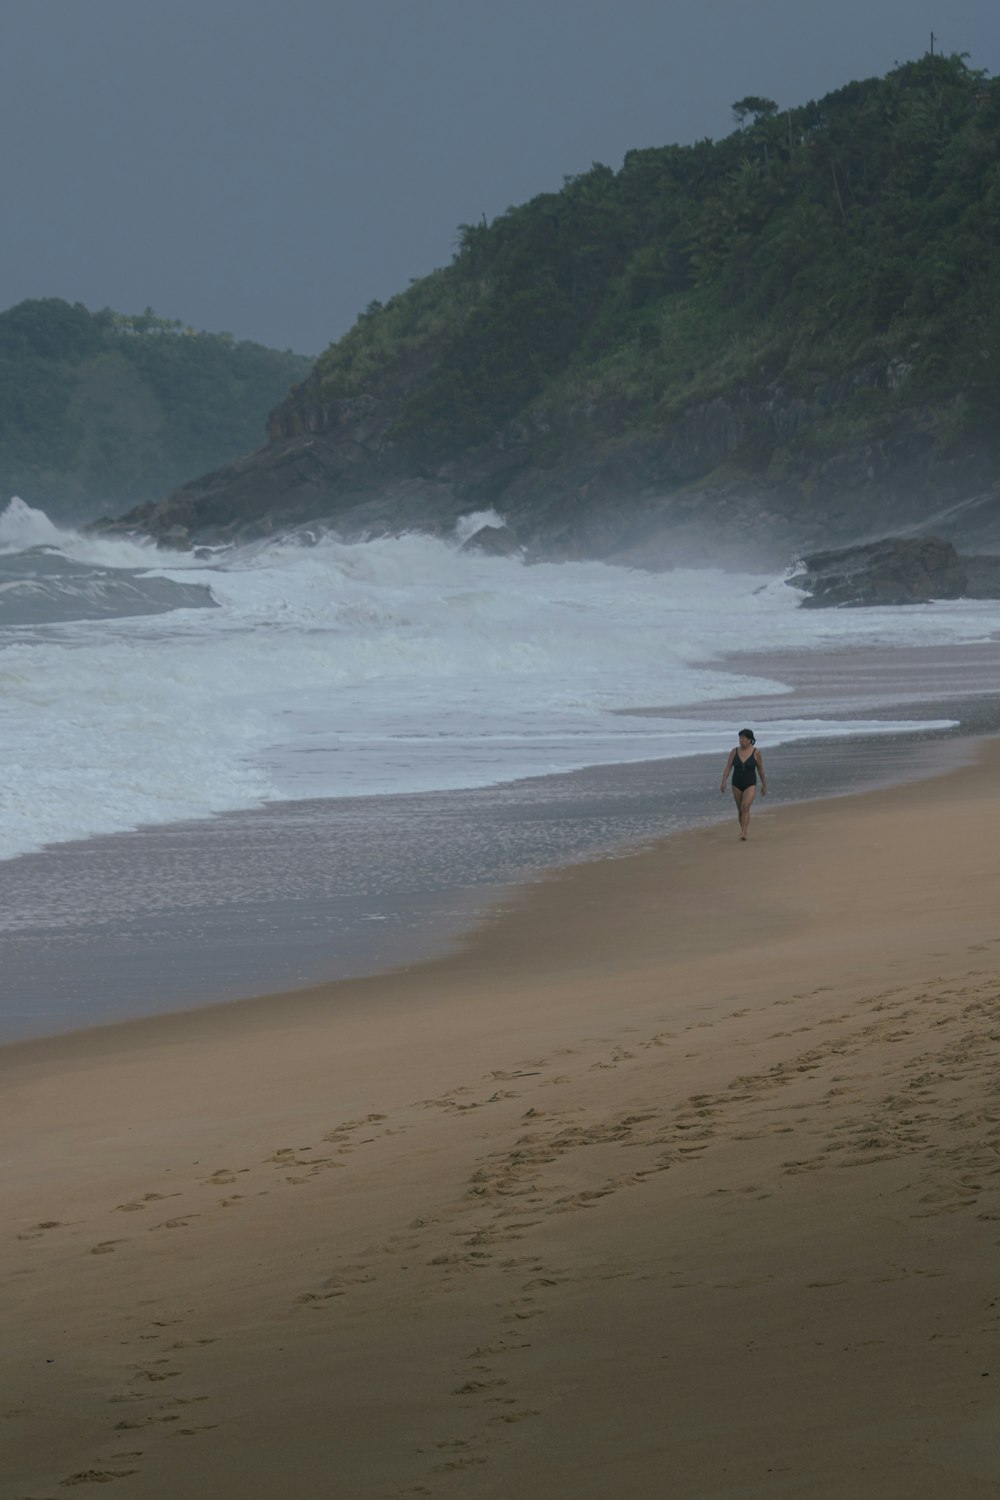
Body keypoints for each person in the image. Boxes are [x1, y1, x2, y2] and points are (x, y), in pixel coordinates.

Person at [720, 728, 767, 841]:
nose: (741, 741)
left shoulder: (756, 752)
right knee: (740, 810)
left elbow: (761, 769)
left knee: (745, 807)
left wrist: (764, 784)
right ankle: (743, 830)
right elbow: (728, 767)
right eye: (740, 738)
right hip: (736, 783)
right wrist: (724, 781)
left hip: (750, 783)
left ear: (750, 740)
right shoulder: (734, 751)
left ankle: (744, 832)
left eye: (743, 738)